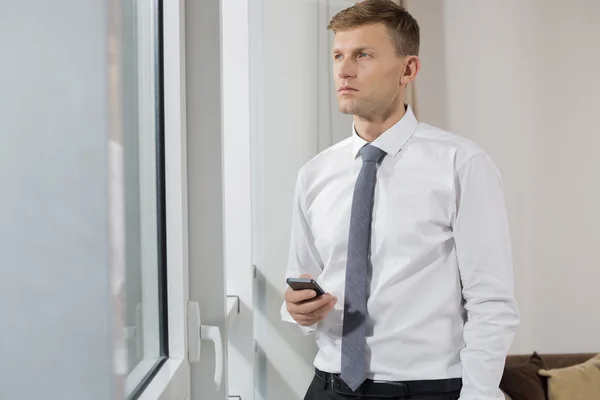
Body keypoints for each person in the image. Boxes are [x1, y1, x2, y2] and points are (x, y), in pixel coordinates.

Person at [280, 1, 520, 399]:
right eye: (338, 55)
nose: (344, 69)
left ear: (408, 70)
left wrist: (479, 394)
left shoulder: (461, 164)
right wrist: (298, 309)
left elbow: (491, 302)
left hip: (424, 390)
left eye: (363, 55)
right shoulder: (314, 174)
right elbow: (304, 280)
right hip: (328, 387)